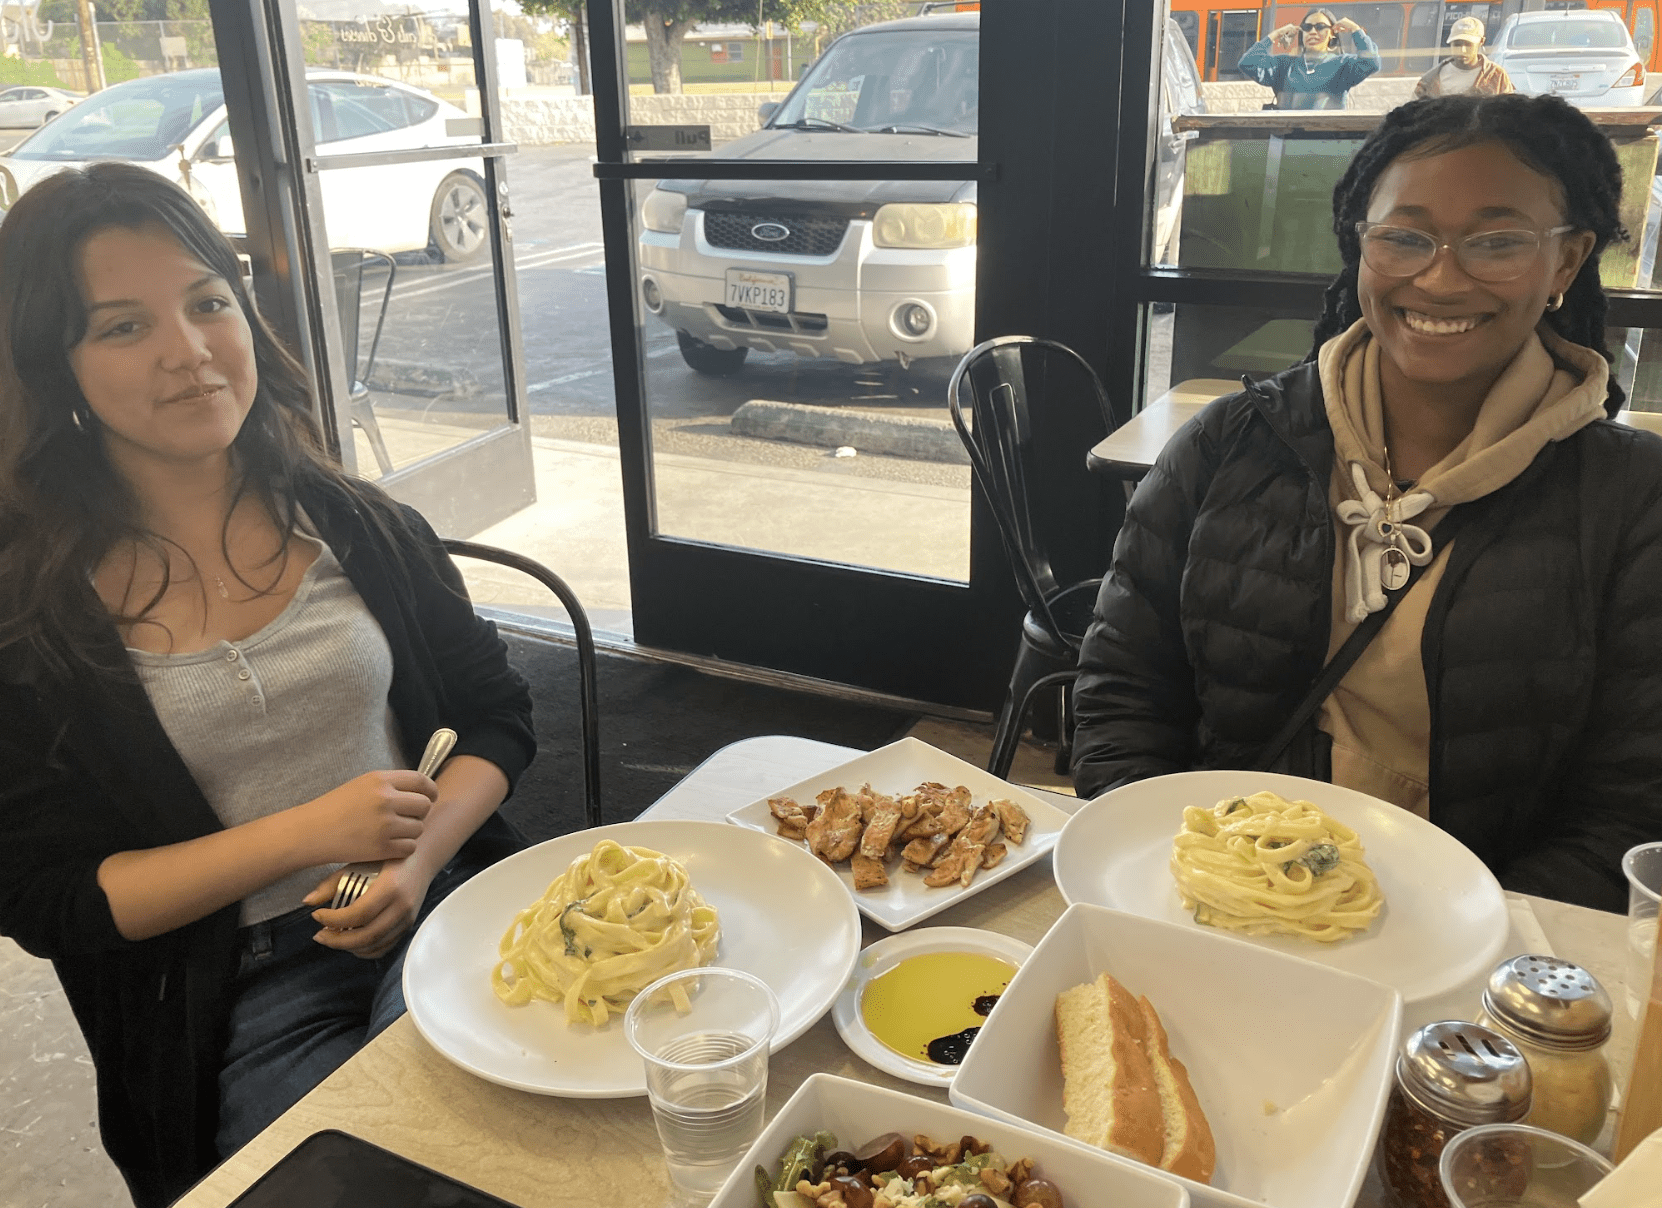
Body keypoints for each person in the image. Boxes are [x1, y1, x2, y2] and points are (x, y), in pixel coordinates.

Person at [0, 163, 535, 1207]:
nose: (189, 352)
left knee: (529, 1145)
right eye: (120, 327)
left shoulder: (358, 525)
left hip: (431, 903)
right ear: (50, 366)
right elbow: (48, 896)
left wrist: (419, 857)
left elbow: (496, 716)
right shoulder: (27, 613)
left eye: (208, 302)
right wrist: (302, 834)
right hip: (234, 985)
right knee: (404, 1179)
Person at [1070, 93, 1662, 913]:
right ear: (1360, 245)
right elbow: (1123, 689)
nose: (1441, 277)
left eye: (1496, 242)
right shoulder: (1232, 443)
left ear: (1566, 264)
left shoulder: (1633, 500)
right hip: (1218, 903)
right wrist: (1179, 878)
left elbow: (1633, 808)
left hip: (1480, 944)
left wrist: (1465, 943)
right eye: (1405, 237)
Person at [1238, 8, 1381, 110]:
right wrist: (1275, 35)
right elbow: (1247, 63)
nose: (1312, 31)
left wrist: (1355, 30)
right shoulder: (1284, 65)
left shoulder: (1343, 64)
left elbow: (1371, 63)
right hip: (1285, 140)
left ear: (1333, 33)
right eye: (1307, 27)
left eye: (1320, 27)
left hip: (1327, 141)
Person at [1414, 16, 1514, 98]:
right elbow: (1415, 111)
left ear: (1481, 42)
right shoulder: (1431, 78)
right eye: (1457, 44)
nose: (1462, 50)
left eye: (1468, 45)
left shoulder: (1497, 76)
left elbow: (1508, 112)